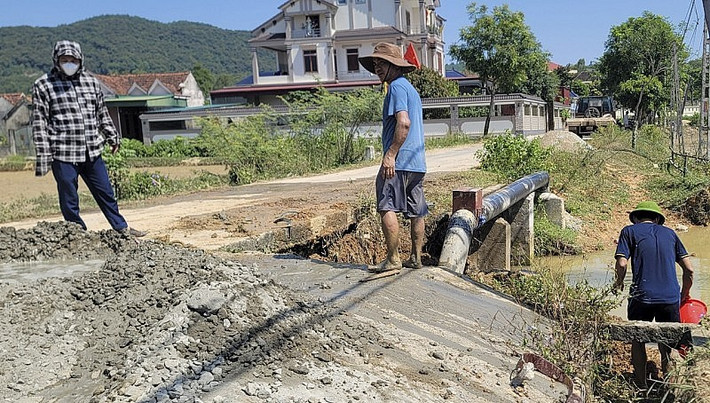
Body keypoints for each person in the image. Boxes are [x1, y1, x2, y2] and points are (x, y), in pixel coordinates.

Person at [32, 40, 146, 237]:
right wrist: (44, 153)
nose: (69, 63)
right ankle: (77, 232)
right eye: (64, 59)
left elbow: (101, 112)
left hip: (91, 149)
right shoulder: (44, 85)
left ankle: (121, 228)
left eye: (73, 59)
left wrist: (112, 135)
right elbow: (39, 121)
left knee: (105, 191)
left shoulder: (91, 82)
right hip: (63, 152)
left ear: (80, 60)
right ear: (56, 60)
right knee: (69, 196)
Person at [359, 42, 427, 272]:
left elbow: (404, 122)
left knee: (386, 205)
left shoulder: (396, 87)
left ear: (394, 66)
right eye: (376, 64)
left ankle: (393, 259)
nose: (378, 68)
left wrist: (390, 155)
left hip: (398, 162)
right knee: (416, 210)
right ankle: (416, 258)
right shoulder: (410, 88)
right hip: (417, 163)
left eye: (382, 63)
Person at [613, 201, 693, 388]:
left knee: (638, 339)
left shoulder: (628, 231)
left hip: (642, 296)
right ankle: (670, 385)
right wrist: (684, 294)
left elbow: (622, 264)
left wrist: (618, 283)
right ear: (657, 219)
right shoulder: (671, 234)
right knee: (669, 341)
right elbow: (689, 270)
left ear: (636, 218)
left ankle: (641, 386)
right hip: (670, 297)